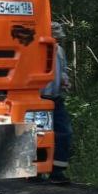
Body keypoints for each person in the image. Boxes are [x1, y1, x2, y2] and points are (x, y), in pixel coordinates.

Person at [43, 20, 73, 184]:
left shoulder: (59, 50)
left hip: (56, 99)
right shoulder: (35, 49)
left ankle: (57, 172)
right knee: (40, 134)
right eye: (55, 37)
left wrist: (65, 81)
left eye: (59, 38)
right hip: (39, 99)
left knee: (64, 133)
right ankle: (35, 171)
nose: (58, 40)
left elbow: (63, 71)